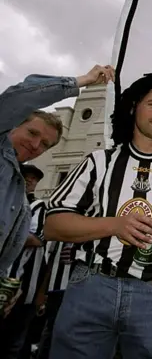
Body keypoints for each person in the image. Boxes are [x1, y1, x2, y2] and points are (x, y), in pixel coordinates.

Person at [44, 73, 152, 358]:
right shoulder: (100, 161)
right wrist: (114, 224)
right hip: (92, 284)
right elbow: (53, 224)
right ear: (134, 106)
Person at [0, 65, 114, 318]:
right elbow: (19, 97)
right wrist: (81, 81)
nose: (35, 146)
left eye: (45, 145)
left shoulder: (20, 199)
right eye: (32, 133)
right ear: (14, 123)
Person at [0, 199, 47, 358]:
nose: (30, 181)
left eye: (35, 178)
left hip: (24, 288)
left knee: (14, 342)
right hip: (13, 283)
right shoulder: (36, 206)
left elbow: (37, 239)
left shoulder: (40, 207)